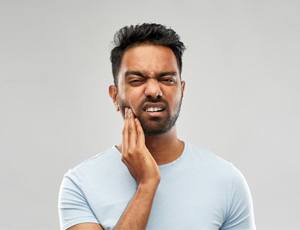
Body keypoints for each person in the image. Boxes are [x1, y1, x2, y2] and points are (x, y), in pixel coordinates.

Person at [58, 23, 256, 230]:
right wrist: (147, 184)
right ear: (115, 96)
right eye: (137, 80)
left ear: (182, 90)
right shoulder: (80, 184)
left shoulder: (227, 181)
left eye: (167, 79)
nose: (153, 90)